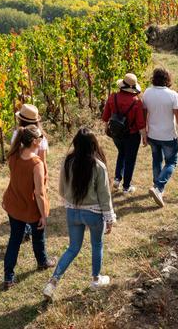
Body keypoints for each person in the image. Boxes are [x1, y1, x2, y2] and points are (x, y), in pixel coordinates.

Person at [42, 127, 115, 300]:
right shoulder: (98, 166)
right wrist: (109, 217)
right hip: (94, 213)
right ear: (93, 145)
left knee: (73, 248)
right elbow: (104, 195)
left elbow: (61, 187)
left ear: (75, 143)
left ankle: (52, 283)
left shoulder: (68, 162)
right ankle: (96, 279)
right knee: (97, 244)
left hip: (72, 211)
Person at [1, 124, 53, 289]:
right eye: (40, 138)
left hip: (13, 204)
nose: (42, 140)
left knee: (14, 240)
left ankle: (8, 277)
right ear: (35, 142)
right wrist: (43, 214)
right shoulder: (36, 163)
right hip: (30, 207)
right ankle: (42, 262)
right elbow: (39, 193)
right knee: (38, 237)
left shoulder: (14, 155)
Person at [141, 67, 178, 208]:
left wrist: (144, 133)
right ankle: (158, 187)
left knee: (156, 160)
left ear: (154, 78)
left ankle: (156, 185)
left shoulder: (147, 93)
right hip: (168, 135)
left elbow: (144, 116)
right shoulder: (172, 95)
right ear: (168, 79)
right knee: (172, 162)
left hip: (153, 134)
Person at [100, 73, 145, 195]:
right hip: (132, 135)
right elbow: (140, 124)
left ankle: (117, 179)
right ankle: (126, 187)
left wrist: (107, 129)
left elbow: (105, 117)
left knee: (121, 153)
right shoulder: (137, 102)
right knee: (130, 159)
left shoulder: (113, 97)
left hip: (116, 133)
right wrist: (144, 138)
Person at [12, 103, 48, 242]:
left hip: (20, 173)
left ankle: (25, 229)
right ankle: (35, 225)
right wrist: (45, 177)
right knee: (35, 198)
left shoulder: (17, 134)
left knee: (22, 198)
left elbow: (14, 155)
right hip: (36, 170)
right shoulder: (40, 137)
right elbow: (43, 161)